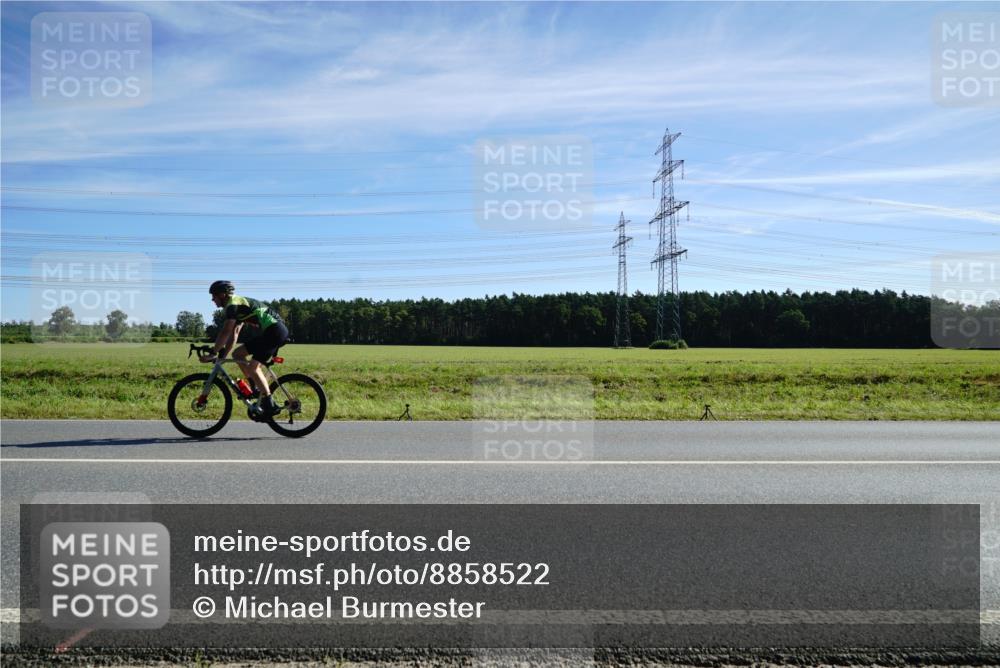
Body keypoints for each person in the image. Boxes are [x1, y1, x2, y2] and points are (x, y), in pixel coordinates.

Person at [202, 280, 289, 417]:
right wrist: (223, 356)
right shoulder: (237, 306)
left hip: (274, 331)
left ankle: (269, 403)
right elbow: (234, 334)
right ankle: (254, 387)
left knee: (253, 368)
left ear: (223, 295)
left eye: (214, 295)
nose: (212, 299)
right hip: (271, 331)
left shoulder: (233, 305)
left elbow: (226, 331)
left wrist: (213, 352)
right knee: (238, 354)